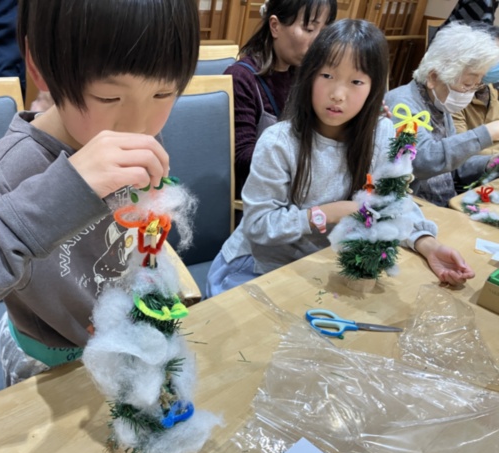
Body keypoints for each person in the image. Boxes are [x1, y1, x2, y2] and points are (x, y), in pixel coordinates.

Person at [0, 0, 200, 385]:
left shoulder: (135, 133)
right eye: (109, 97)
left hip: (122, 348)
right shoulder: (18, 165)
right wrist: (63, 193)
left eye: (164, 93)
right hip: (47, 366)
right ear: (39, 67)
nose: (139, 126)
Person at [206, 19, 475, 298]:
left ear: (373, 88)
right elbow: (259, 225)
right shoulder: (279, 142)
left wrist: (427, 244)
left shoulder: (381, 133)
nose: (337, 95)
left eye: (356, 81)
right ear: (309, 76)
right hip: (257, 268)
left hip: (325, 267)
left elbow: (391, 201)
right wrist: (330, 212)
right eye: (327, 75)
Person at [225, 0, 337, 198]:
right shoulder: (241, 78)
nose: (319, 42)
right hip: (260, 196)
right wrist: (304, 159)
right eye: (309, 29)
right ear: (275, 26)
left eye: (325, 30)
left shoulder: (307, 75)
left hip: (301, 188)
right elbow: (242, 158)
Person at [385, 22, 499, 207]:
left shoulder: (438, 105)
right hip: (413, 206)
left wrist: (490, 163)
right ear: (433, 77)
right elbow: (423, 162)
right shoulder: (401, 104)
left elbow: (453, 168)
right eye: (467, 85)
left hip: (445, 203)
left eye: (476, 85)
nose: (470, 93)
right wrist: (488, 133)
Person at [453, 25, 499, 157]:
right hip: (477, 162)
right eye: (495, 57)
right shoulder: (455, 94)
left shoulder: (488, 87)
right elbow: (458, 147)